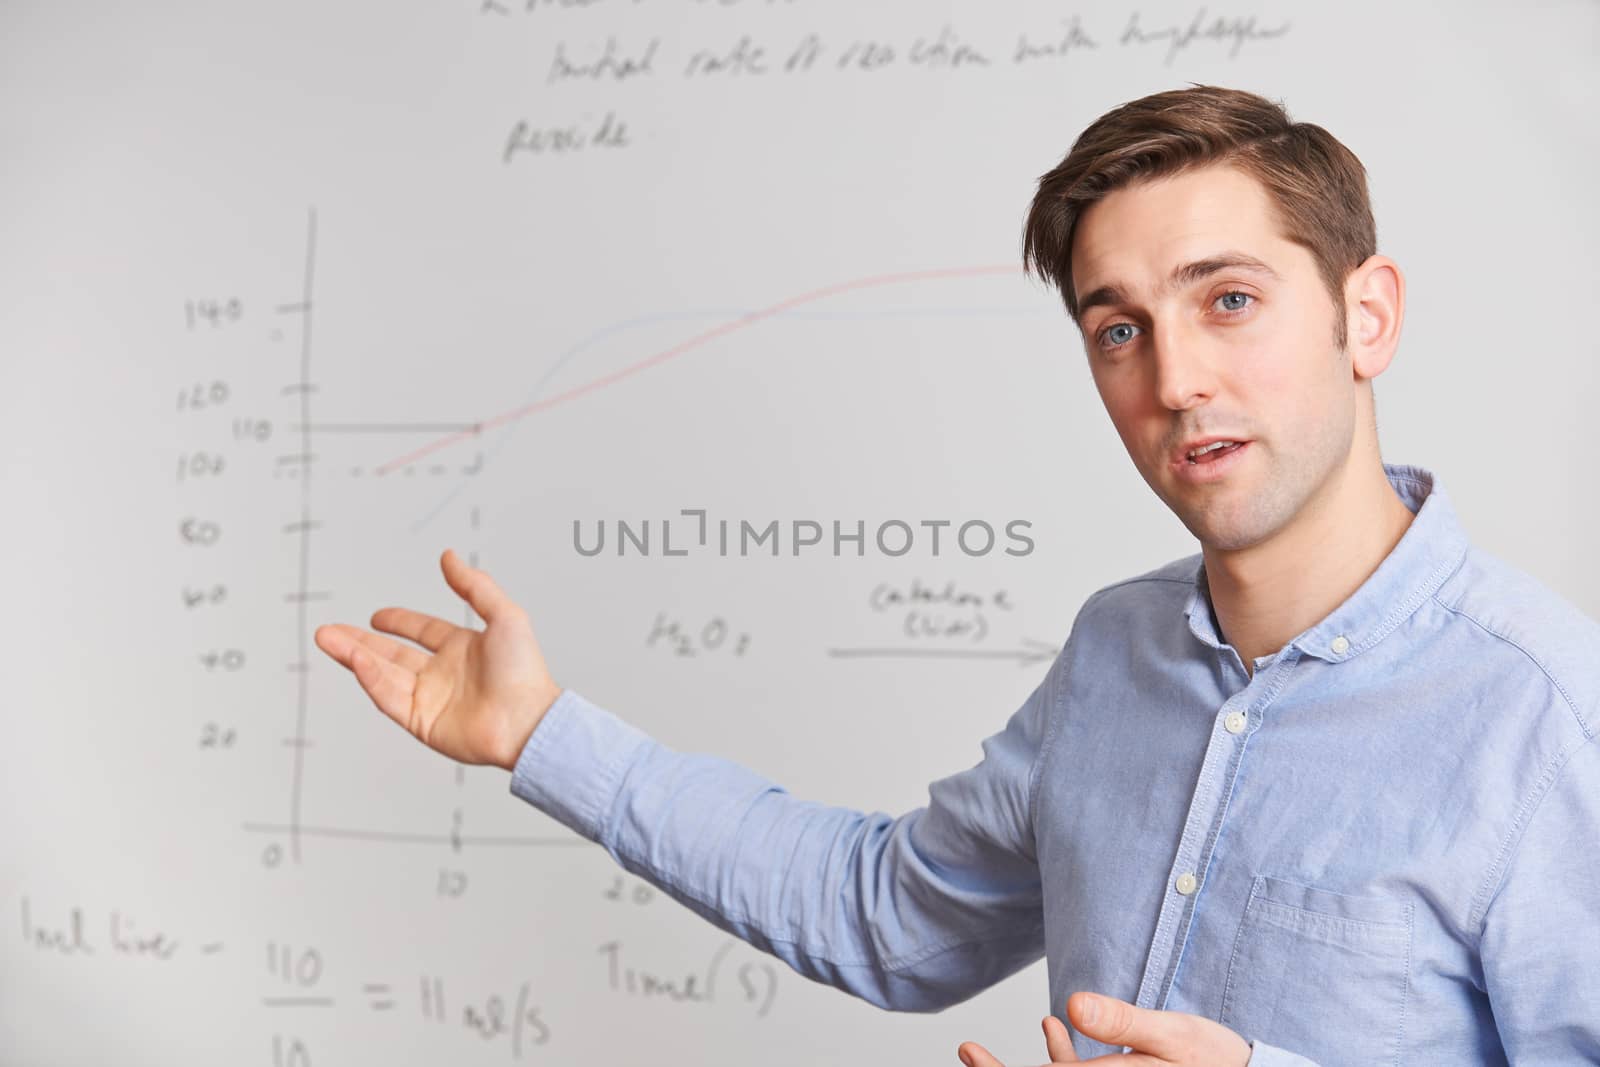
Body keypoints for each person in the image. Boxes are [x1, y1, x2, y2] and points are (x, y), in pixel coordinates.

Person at [313, 84, 1600, 1065]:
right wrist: (542, 733)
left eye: (1229, 300)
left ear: (1363, 314)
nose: (1175, 379)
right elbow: (887, 913)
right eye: (1118, 328)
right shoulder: (1116, 652)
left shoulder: (1544, 713)